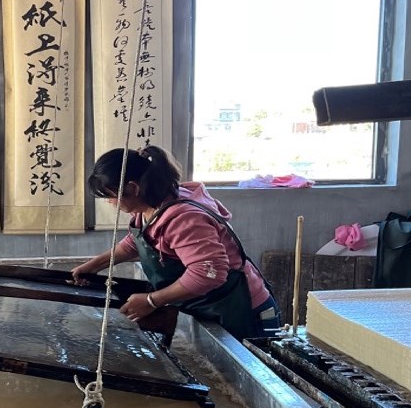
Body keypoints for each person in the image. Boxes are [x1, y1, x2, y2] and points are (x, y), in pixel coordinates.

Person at [72, 146, 281, 340]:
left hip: (245, 311)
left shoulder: (183, 219)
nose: (109, 202)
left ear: (133, 188)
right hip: (214, 305)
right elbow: (138, 242)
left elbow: (208, 272)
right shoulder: (152, 205)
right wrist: (95, 265)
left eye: (110, 196)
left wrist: (152, 300)